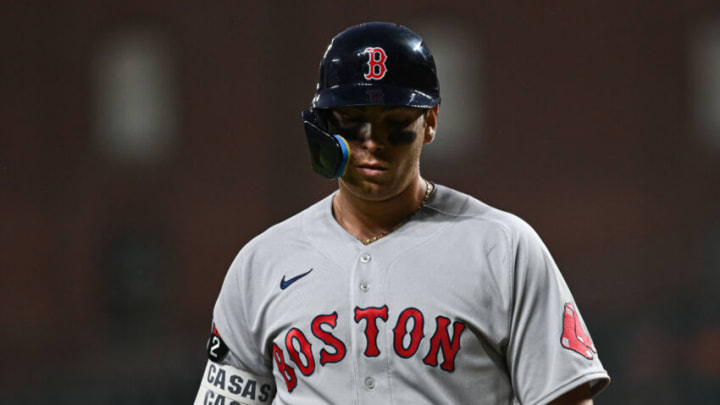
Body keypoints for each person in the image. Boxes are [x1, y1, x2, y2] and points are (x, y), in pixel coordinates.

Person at [193, 22, 610, 405]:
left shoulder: (502, 247)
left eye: (395, 123)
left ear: (430, 122)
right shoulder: (261, 263)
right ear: (323, 127)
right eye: (354, 123)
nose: (373, 142)